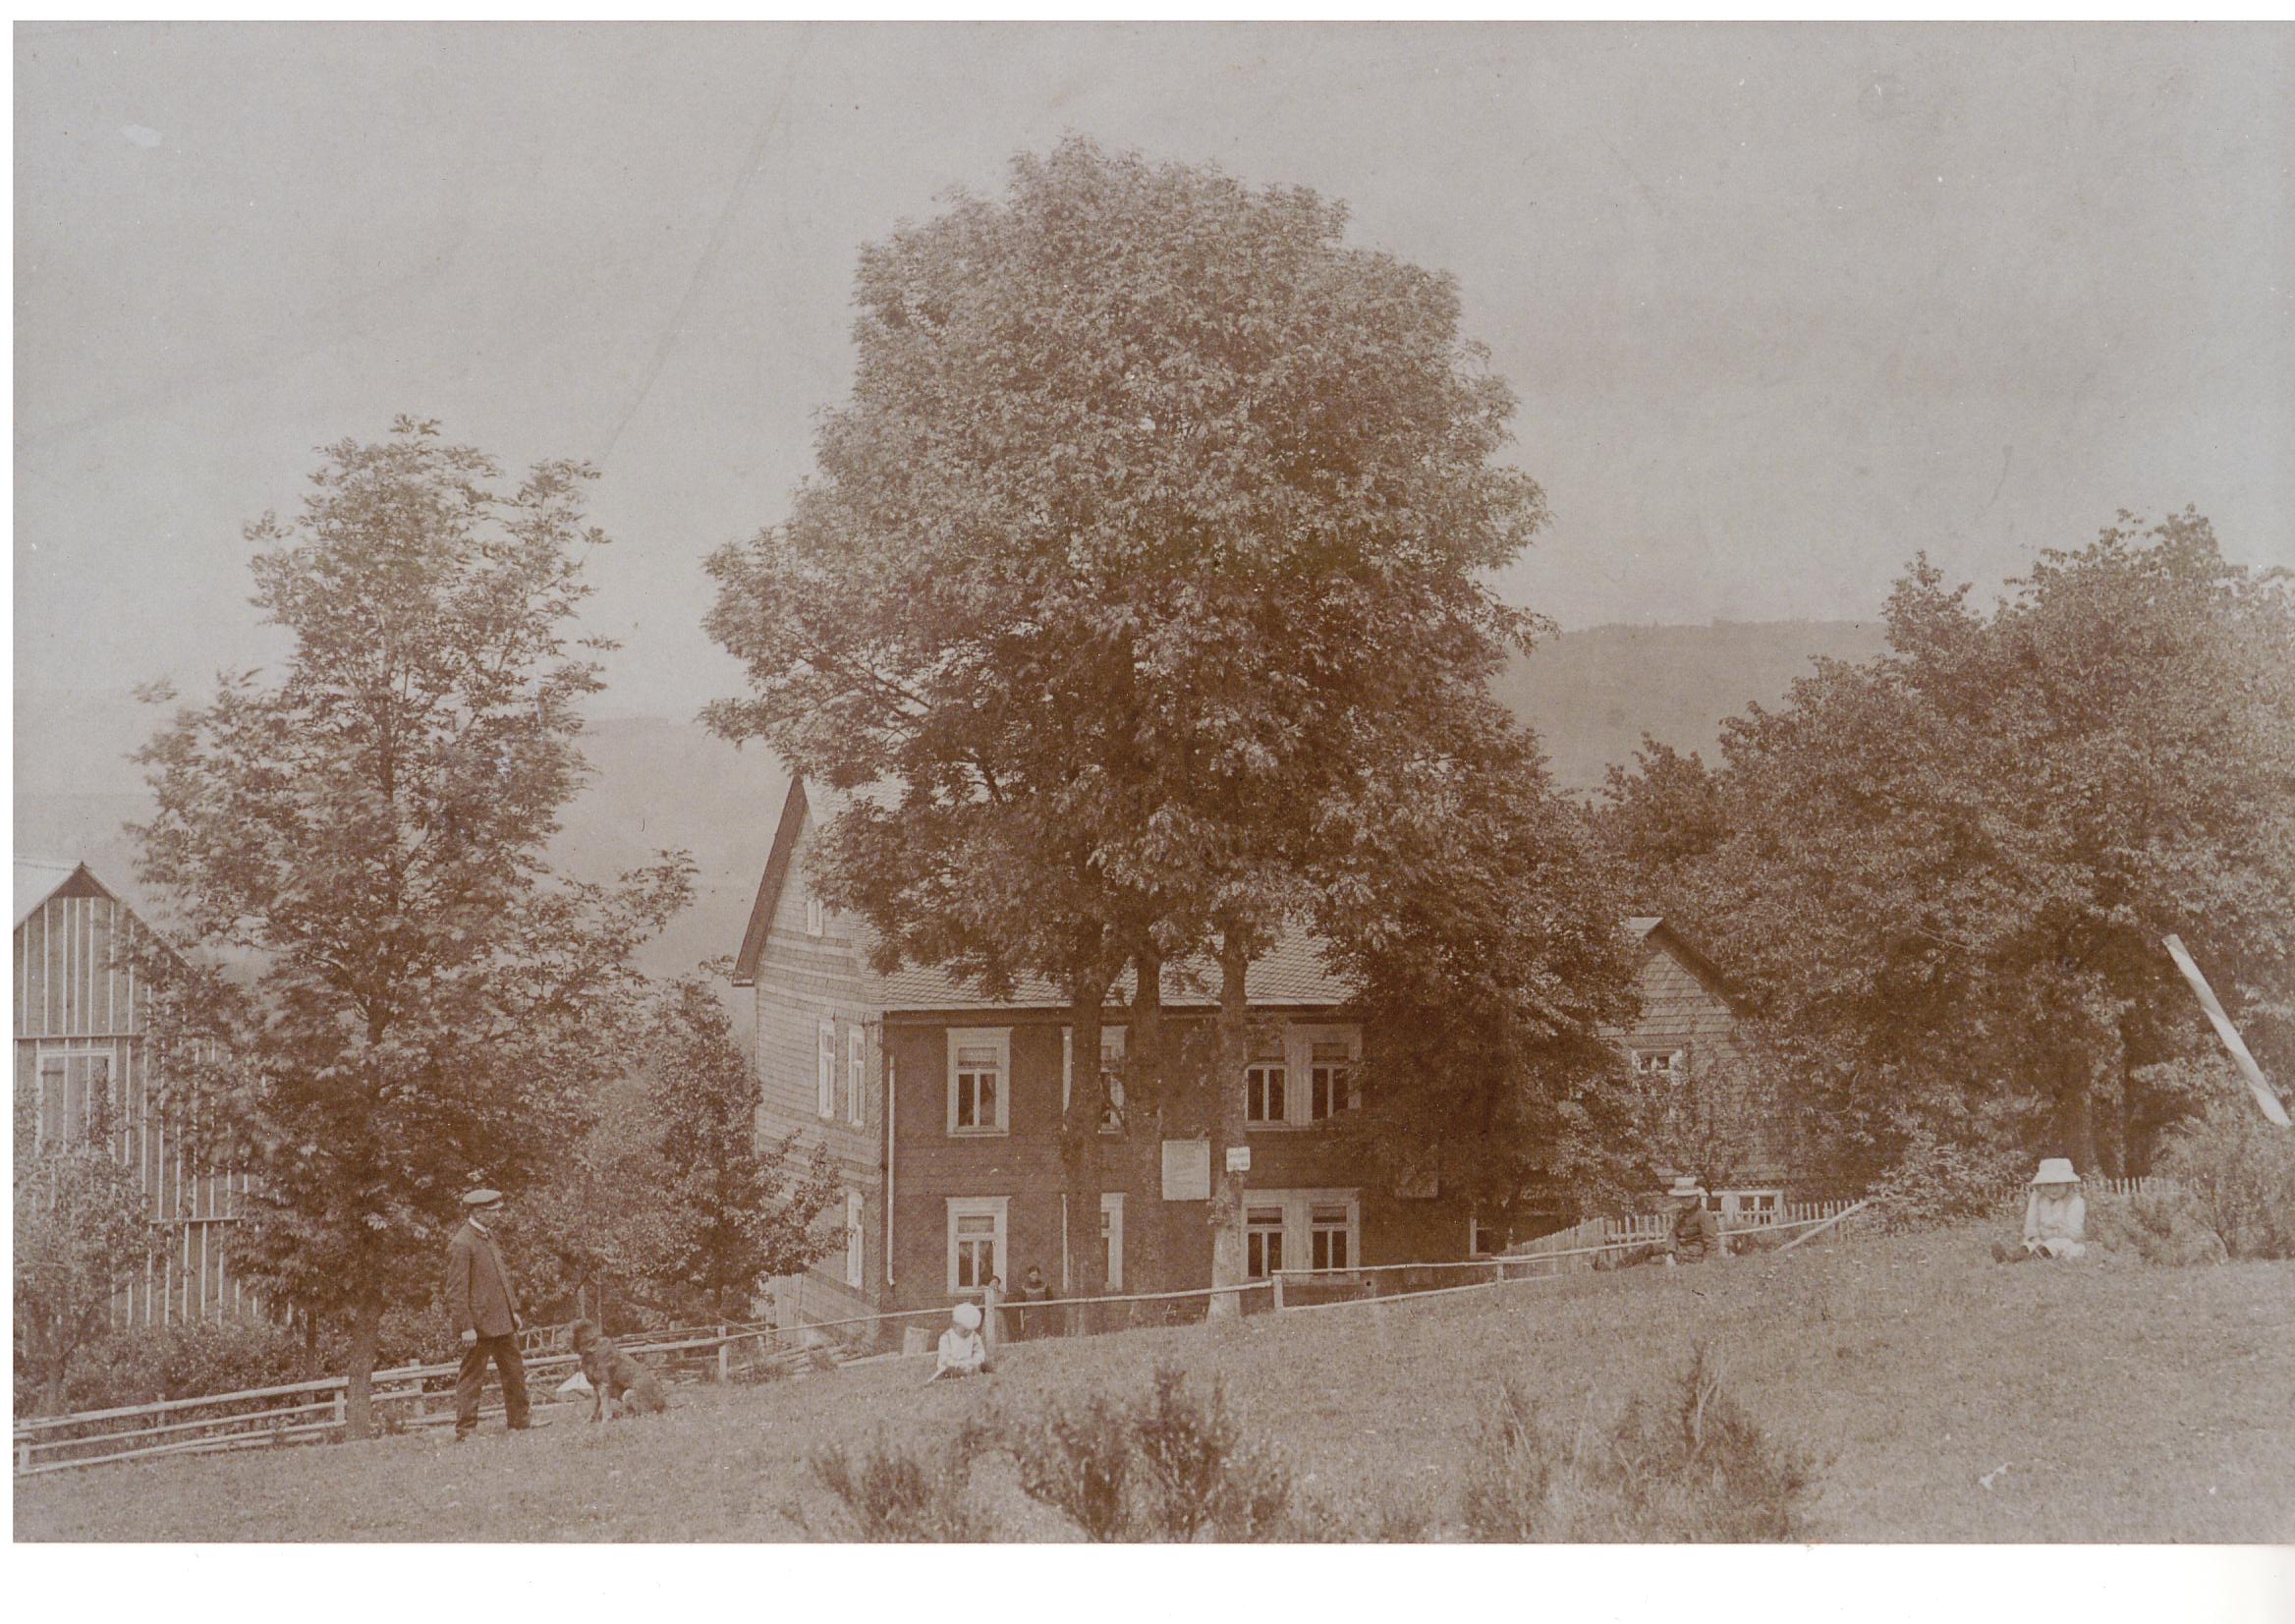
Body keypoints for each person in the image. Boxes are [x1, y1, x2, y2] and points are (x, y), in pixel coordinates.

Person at [444, 1188, 536, 1439]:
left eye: (497, 1211)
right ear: (477, 1212)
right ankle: (466, 1430)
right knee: (472, 1377)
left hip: (502, 1321)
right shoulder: (462, 1243)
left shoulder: (488, 1236)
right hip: (478, 1326)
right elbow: (456, 1291)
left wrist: (512, 1310)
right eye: (492, 1212)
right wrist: (466, 1326)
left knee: (514, 1371)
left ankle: (520, 1421)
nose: (497, 1216)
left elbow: (501, 1279)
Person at [1994, 1159, 2088, 1261]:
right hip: (2040, 1240)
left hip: (2064, 1241)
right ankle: (2011, 1257)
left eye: (2058, 1184)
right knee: (2029, 1244)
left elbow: (2074, 1233)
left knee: (2058, 1244)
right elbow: (2031, 1225)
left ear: (2068, 1184)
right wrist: (2035, 1237)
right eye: (2048, 1185)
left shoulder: (2075, 1201)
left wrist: (2051, 1235)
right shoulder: (2038, 1199)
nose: (2053, 1189)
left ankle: (2031, 1259)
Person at [926, 1301, 990, 1382]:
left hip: (969, 1364)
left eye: (970, 1331)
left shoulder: (974, 1337)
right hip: (952, 1366)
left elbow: (979, 1352)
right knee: (949, 1372)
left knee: (984, 1365)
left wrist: (974, 1361)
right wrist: (958, 1365)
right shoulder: (946, 1338)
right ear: (955, 1325)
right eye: (964, 1330)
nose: (967, 1333)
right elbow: (945, 1359)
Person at [1667, 1179, 1723, 1264]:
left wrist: (1707, 1262)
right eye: (1682, 1198)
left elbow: (1712, 1242)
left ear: (1697, 1197)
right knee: (1651, 1248)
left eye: (1690, 1197)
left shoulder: (1703, 1215)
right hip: (1679, 1247)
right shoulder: (1680, 1213)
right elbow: (1673, 1233)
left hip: (1694, 1253)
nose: (1686, 1201)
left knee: (1657, 1258)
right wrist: (1670, 1253)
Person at [1014, 1265, 1053, 1340]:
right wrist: (1022, 1322)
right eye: (1032, 1275)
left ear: (1039, 1275)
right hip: (1029, 1317)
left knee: (1042, 1337)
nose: (1034, 1277)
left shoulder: (1044, 1286)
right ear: (1029, 1275)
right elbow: (1021, 1306)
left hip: (1042, 1316)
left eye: (1036, 1275)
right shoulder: (1024, 1287)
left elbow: (1050, 1301)